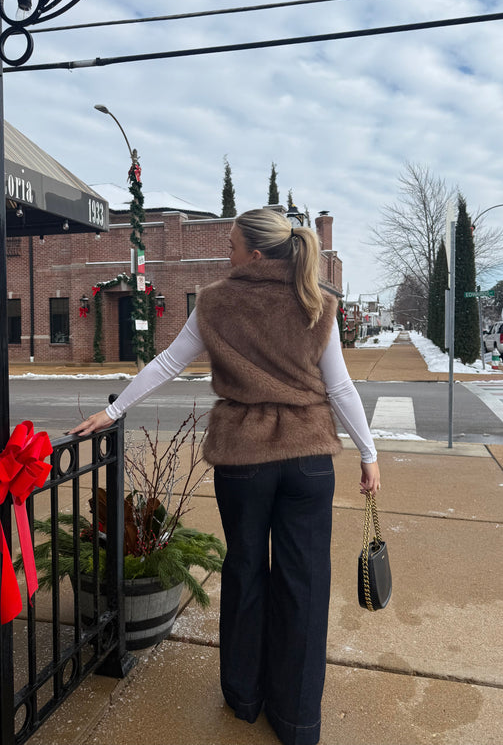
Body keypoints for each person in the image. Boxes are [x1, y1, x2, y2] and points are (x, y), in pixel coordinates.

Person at [70, 208, 380, 745]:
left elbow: (168, 363)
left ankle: (244, 696)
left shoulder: (214, 302)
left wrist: (115, 410)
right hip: (308, 462)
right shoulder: (316, 301)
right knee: (305, 584)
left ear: (255, 254)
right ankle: (297, 719)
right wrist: (369, 454)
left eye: (232, 245)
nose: (226, 254)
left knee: (245, 572)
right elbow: (340, 389)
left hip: (243, 461)